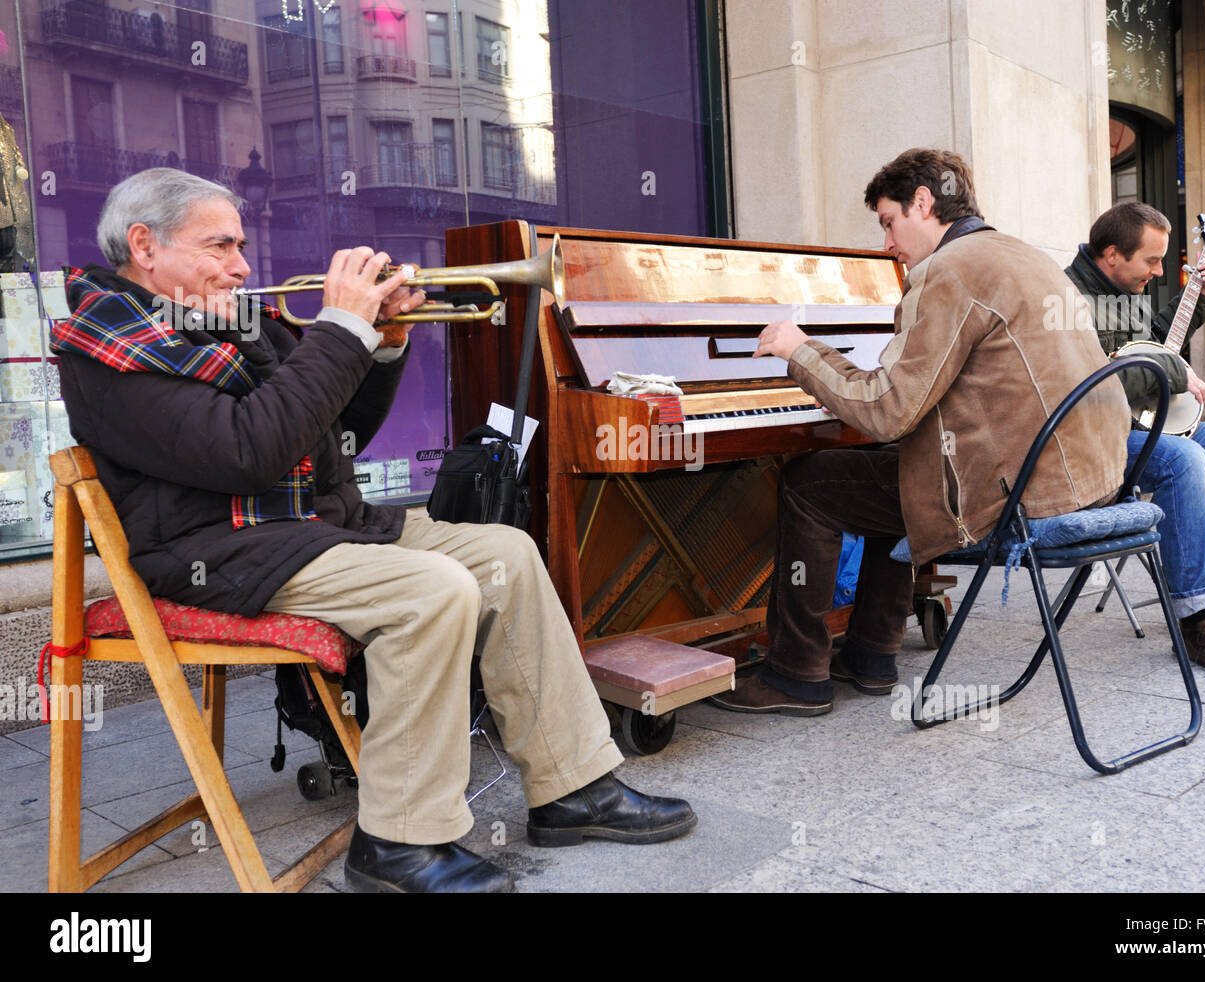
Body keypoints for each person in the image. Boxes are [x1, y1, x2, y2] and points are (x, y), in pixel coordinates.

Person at [52, 168, 695, 894]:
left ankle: (571, 786)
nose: (240, 264)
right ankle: (398, 845)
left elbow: (336, 429)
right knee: (432, 591)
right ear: (144, 245)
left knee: (507, 553)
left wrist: (380, 344)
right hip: (216, 553)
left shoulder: (231, 321)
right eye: (219, 245)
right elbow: (248, 452)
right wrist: (340, 329)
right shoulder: (108, 351)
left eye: (240, 245)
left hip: (310, 528)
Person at [710, 148, 1131, 716]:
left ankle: (795, 673)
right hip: (1086, 481)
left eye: (888, 221)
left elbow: (887, 407)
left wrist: (799, 349)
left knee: (811, 481)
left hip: (1021, 499)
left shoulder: (948, 269)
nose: (886, 242)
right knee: (895, 463)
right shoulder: (1021, 254)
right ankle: (870, 653)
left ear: (923, 203)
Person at [1065, 202, 1205, 675]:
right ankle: (1199, 618)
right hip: (1098, 439)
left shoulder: (1125, 289)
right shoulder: (1069, 301)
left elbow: (1157, 345)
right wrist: (1171, 372)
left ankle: (1195, 583)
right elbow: (1097, 383)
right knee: (1184, 458)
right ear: (1111, 254)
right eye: (1151, 260)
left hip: (1150, 427)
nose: (1159, 270)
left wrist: (1199, 297)